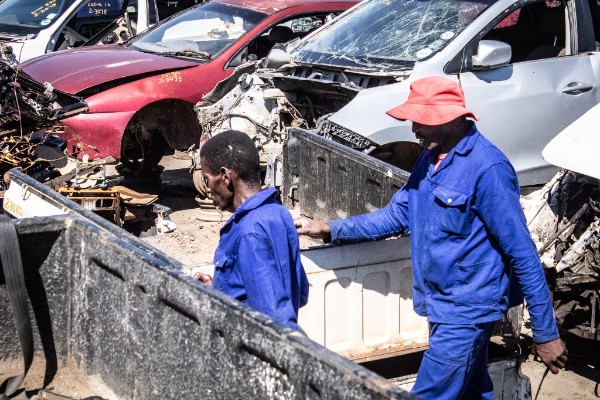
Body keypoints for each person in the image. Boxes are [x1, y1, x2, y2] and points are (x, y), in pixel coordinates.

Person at [295, 77, 568, 399]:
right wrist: (329, 229)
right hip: (440, 305)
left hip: (466, 311)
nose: (414, 129)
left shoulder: (488, 168)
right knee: (473, 389)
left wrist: (546, 333)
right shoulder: (429, 160)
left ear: (450, 119)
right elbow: (397, 215)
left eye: (422, 120)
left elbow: (522, 253)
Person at [194, 130, 309, 331]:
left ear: (225, 176)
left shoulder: (248, 232)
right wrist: (221, 288)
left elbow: (274, 323)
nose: (207, 188)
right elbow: (300, 294)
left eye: (207, 179)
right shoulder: (278, 213)